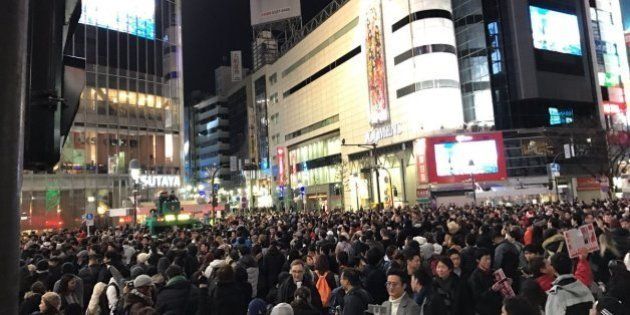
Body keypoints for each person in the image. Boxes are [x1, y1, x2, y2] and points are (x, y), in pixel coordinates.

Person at [467, 249, 503, 315]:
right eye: (485, 259)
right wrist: (492, 289)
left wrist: (505, 283)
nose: (489, 261)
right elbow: (477, 297)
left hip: (497, 308)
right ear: (478, 260)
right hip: (484, 311)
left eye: (489, 259)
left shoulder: (493, 272)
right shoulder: (474, 277)